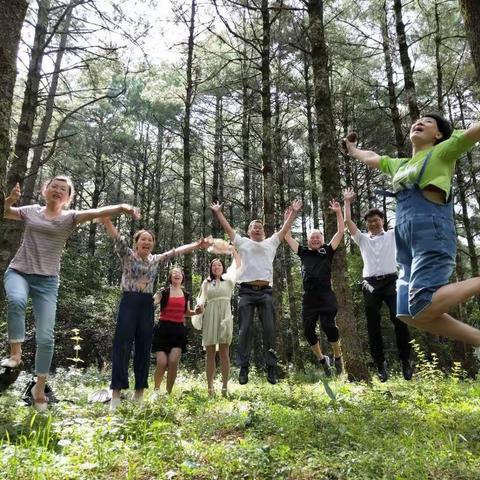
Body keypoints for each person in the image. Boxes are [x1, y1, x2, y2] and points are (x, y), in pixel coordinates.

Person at [1, 177, 139, 411]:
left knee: (46, 337)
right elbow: (6, 213)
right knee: (16, 300)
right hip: (19, 272)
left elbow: (96, 211)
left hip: (47, 282)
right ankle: (16, 354)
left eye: (62, 189)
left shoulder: (69, 218)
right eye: (53, 186)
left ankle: (39, 390)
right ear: (45, 190)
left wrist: (121, 208)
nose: (57, 190)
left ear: (68, 197)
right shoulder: (31, 211)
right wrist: (8, 201)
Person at [344, 114, 480, 348]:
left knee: (422, 304)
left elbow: (473, 132)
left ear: (438, 135)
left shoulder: (444, 151)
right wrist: (353, 150)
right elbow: (373, 158)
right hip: (405, 244)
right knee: (406, 311)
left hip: (432, 234)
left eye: (428, 122)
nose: (420, 122)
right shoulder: (400, 165)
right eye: (417, 120)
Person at [101, 218, 209, 410]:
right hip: (129, 301)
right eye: (143, 239)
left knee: (143, 348)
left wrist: (198, 245)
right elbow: (117, 238)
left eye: (150, 240)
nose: (147, 242)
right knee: (122, 346)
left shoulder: (155, 259)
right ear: (137, 242)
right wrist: (107, 219)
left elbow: (177, 251)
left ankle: (139, 394)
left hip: (146, 305)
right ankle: (116, 394)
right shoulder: (127, 255)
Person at [211, 200, 301, 385]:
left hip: (266, 292)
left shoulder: (271, 242)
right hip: (246, 292)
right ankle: (243, 368)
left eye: (259, 227)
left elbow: (284, 230)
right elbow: (228, 229)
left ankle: (271, 368)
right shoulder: (243, 242)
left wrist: (293, 213)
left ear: (264, 232)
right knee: (245, 330)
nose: (257, 229)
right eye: (253, 227)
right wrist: (219, 212)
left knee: (269, 329)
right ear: (249, 231)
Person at [343, 188, 412, 381]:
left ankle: (406, 361)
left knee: (400, 318)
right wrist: (347, 202)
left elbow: (404, 218)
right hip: (370, 285)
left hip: (391, 281)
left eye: (377, 220)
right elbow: (348, 223)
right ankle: (380, 365)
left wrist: (403, 198)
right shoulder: (362, 239)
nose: (373, 223)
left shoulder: (392, 235)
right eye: (370, 221)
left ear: (382, 221)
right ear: (366, 224)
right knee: (373, 325)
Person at [284, 199, 345, 377]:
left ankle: (337, 355)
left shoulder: (328, 250)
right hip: (309, 299)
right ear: (308, 241)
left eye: (318, 237)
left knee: (328, 326)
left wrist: (338, 212)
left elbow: (341, 231)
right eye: (312, 237)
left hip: (326, 296)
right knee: (308, 331)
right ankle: (321, 359)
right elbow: (286, 236)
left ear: (323, 240)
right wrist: (291, 216)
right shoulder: (303, 252)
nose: (315, 239)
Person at [193, 248, 241, 397]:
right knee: (210, 353)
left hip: (225, 316)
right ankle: (210, 388)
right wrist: (199, 306)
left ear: (223, 267)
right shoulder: (206, 283)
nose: (216, 267)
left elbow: (238, 264)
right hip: (210, 315)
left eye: (219, 265)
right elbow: (201, 299)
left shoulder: (229, 280)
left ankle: (225, 387)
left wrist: (233, 250)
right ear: (211, 269)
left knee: (225, 352)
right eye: (214, 266)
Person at [151, 266, 202, 395]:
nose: (177, 275)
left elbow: (187, 312)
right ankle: (156, 391)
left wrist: (196, 312)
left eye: (179, 273)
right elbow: (154, 301)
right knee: (162, 363)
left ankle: (168, 393)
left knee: (173, 362)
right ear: (170, 277)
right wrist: (152, 301)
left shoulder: (185, 294)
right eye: (174, 273)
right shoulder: (163, 291)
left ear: (182, 277)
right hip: (162, 330)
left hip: (178, 331)